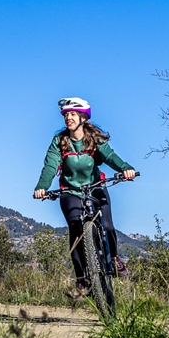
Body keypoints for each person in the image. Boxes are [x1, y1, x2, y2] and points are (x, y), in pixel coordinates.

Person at [33, 97, 137, 295]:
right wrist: (42, 187)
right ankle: (82, 278)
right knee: (75, 227)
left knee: (107, 226)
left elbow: (110, 156)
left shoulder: (94, 139)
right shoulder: (60, 141)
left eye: (72, 114)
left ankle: (113, 259)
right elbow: (50, 165)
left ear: (82, 117)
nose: (68, 118)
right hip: (70, 191)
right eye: (65, 115)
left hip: (96, 187)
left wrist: (126, 169)